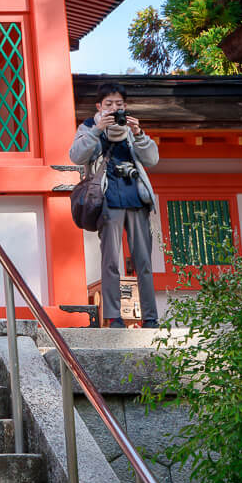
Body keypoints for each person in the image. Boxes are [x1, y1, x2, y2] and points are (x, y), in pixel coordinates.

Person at [70, 81, 161, 328]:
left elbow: (152, 159)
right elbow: (76, 155)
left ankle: (150, 318)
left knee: (143, 261)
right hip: (108, 199)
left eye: (118, 104)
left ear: (125, 106)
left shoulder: (130, 128)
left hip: (136, 198)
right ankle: (113, 317)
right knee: (110, 261)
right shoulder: (89, 126)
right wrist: (97, 129)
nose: (114, 108)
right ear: (99, 106)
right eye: (108, 104)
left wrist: (140, 134)